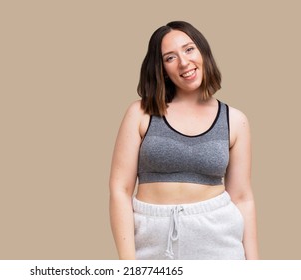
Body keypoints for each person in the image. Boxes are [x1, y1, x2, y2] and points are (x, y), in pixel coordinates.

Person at [109, 21, 258, 260]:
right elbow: (120, 189)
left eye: (189, 49)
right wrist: (128, 266)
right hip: (151, 238)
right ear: (161, 68)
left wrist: (255, 269)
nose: (184, 62)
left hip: (219, 239)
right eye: (170, 57)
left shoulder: (235, 120)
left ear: (203, 52)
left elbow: (242, 197)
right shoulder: (140, 113)